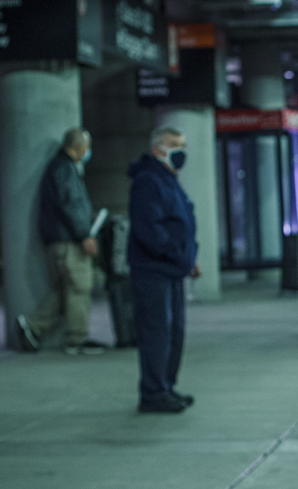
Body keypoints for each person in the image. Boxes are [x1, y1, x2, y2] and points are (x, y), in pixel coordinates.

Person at [127, 126, 201, 413]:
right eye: (174, 144)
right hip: (153, 271)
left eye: (183, 144)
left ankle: (166, 387)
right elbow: (150, 229)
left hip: (172, 270)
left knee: (174, 333)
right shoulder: (148, 181)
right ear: (158, 149)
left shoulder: (169, 179)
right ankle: (154, 392)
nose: (181, 150)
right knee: (157, 333)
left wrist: (188, 258)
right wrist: (176, 254)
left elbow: (181, 222)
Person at [17, 128, 109, 355]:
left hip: (60, 241)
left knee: (66, 290)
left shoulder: (58, 168)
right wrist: (84, 235)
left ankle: (32, 325)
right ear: (79, 147)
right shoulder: (65, 169)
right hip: (69, 243)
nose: (88, 152)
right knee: (79, 288)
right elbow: (70, 204)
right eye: (86, 148)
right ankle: (76, 340)